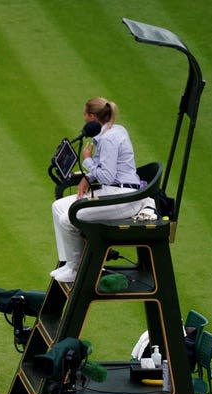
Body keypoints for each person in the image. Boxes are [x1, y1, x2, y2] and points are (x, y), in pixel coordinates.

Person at [50, 97, 145, 283]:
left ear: (92, 117)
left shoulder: (109, 139)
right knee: (58, 206)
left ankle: (76, 269)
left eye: (85, 115)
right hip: (114, 192)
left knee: (68, 217)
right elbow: (106, 169)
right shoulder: (116, 130)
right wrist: (88, 178)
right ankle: (69, 263)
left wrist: (87, 160)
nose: (84, 119)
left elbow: (107, 176)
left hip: (123, 198)